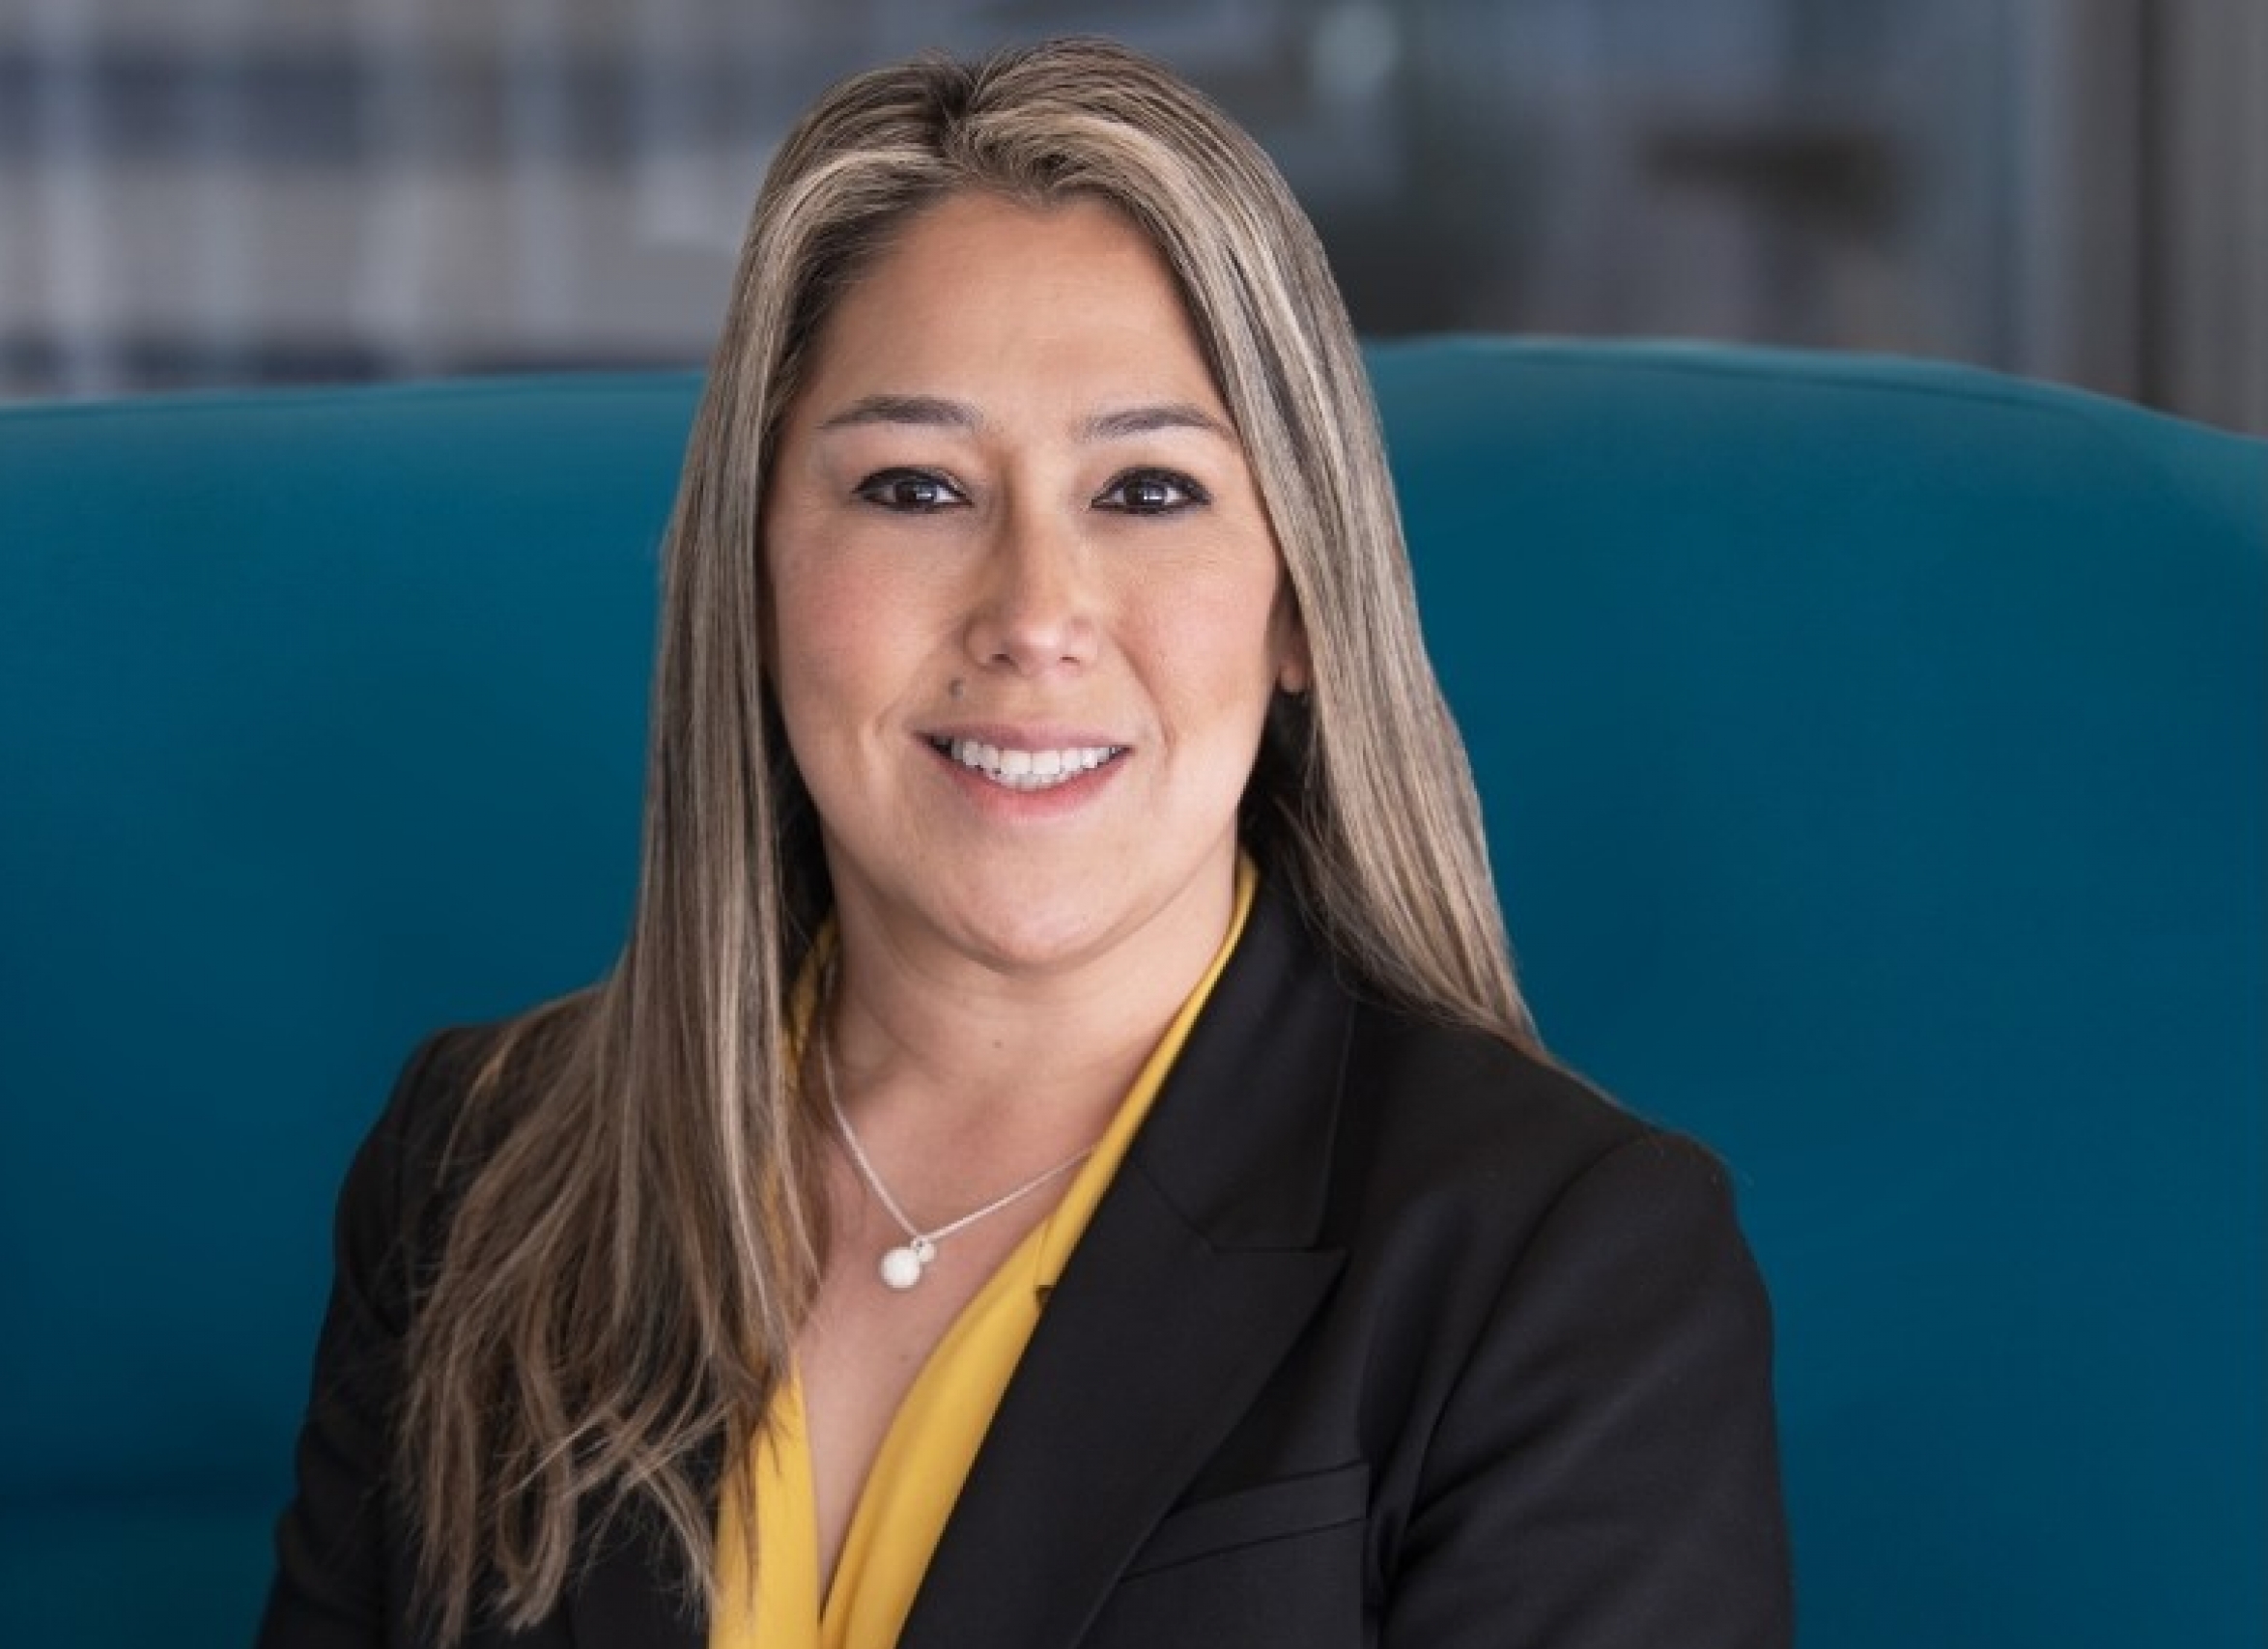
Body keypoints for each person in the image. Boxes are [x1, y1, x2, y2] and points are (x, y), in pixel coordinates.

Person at [258, 36, 1792, 1649]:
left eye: (1146, 491)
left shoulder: (1563, 1270)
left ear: (1302, 607)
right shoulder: (479, 1172)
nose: (1035, 616)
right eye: (915, 488)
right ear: (758, 577)